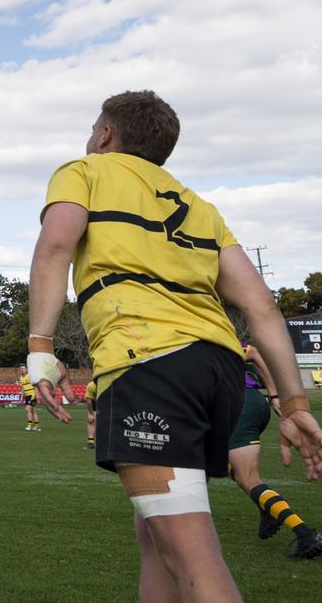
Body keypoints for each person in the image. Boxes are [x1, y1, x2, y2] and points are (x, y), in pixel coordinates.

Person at [27, 90, 322, 601]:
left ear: (106, 134)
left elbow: (56, 243)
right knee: (155, 533)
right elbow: (262, 307)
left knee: (192, 553)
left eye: (93, 127)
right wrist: (293, 404)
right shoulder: (198, 206)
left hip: (152, 365)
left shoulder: (84, 170)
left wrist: (39, 348)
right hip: (220, 370)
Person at [229, 344, 322, 559]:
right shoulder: (210, 329)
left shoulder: (180, 337)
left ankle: (305, 535)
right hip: (254, 401)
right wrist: (273, 395)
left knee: (249, 478)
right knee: (219, 461)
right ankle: (266, 508)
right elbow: (253, 352)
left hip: (235, 405)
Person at [19, 365, 41, 432]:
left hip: (32, 395)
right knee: (33, 411)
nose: (22, 370)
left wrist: (37, 395)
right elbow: (23, 388)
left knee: (28, 409)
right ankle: (37, 426)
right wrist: (22, 398)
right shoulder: (21, 378)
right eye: (21, 369)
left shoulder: (29, 376)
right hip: (27, 395)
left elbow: (36, 386)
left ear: (26, 370)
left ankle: (29, 425)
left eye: (23, 369)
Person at [84, 379, 97, 449]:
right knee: (91, 420)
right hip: (94, 401)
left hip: (106, 401)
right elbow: (89, 401)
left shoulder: (108, 383)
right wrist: (91, 414)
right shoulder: (91, 385)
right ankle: (91, 442)